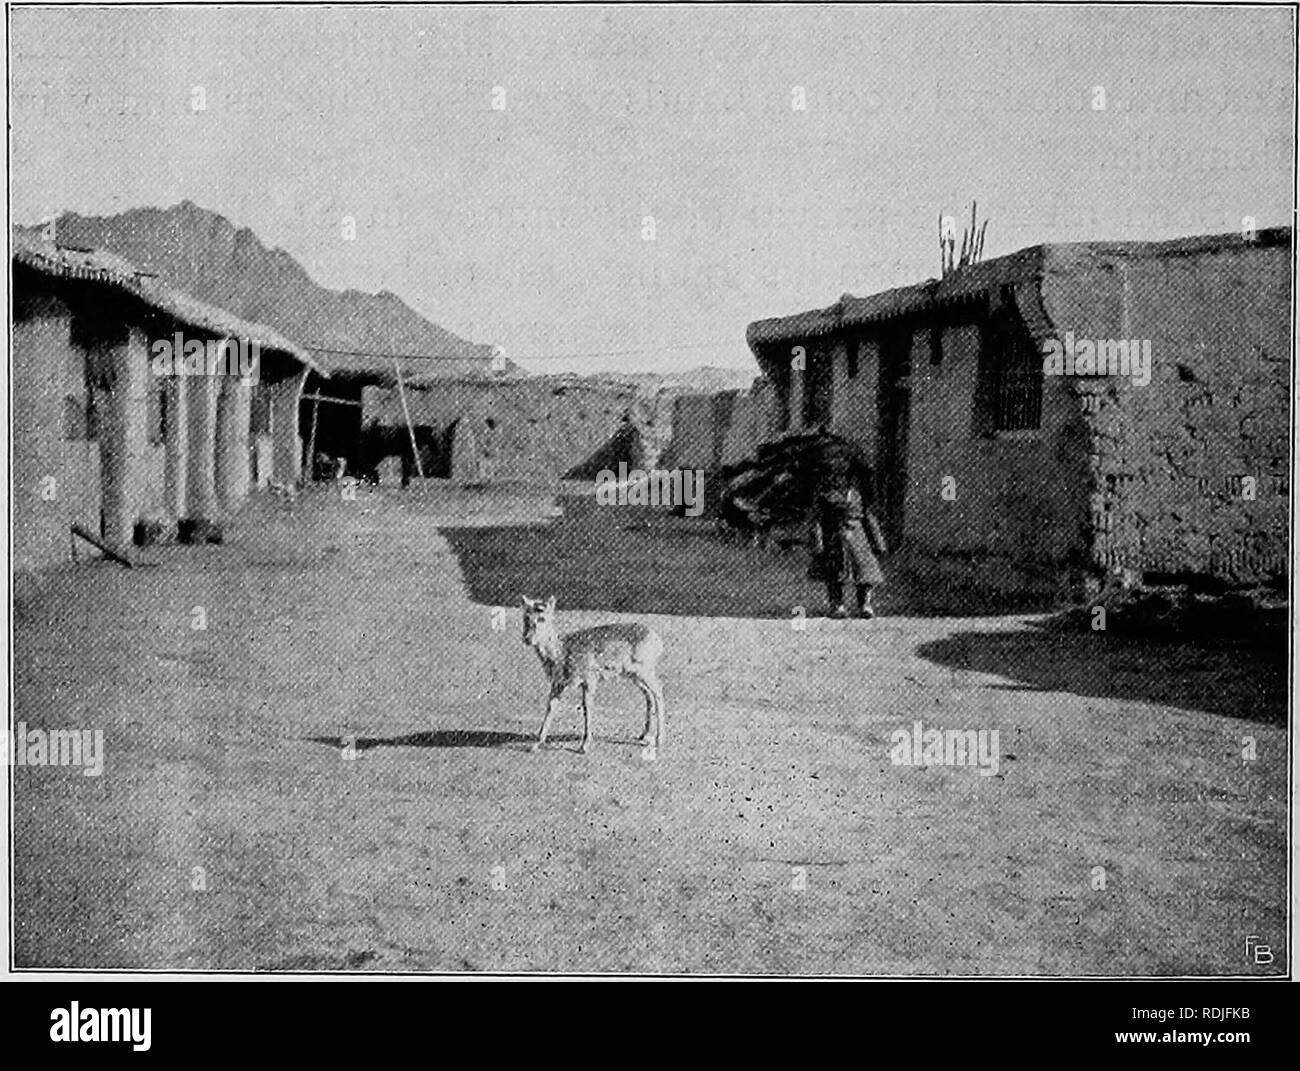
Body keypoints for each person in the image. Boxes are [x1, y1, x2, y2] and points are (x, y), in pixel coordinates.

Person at [808, 455, 887, 618]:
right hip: (835, 537)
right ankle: (837, 605)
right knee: (835, 573)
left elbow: (869, 518)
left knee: (866, 573)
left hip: (859, 538)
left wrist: (878, 542)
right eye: (834, 476)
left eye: (842, 476)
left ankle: (865, 604)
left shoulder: (859, 495)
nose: (838, 480)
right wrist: (818, 541)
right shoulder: (824, 495)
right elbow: (816, 520)